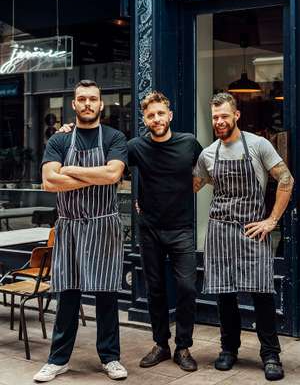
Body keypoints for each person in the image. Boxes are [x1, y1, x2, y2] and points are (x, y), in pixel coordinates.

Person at [193, 92, 294, 381]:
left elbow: (286, 180)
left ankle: (270, 354)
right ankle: (228, 349)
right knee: (225, 295)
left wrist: (271, 221)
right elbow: (190, 187)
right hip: (220, 230)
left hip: (253, 230)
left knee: (262, 293)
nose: (219, 121)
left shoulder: (259, 145)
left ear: (236, 115)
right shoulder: (208, 154)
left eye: (224, 115)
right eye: (215, 117)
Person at [33, 80, 128, 382]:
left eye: (93, 99)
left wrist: (68, 170)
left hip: (104, 224)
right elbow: (49, 182)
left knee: (106, 296)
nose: (87, 104)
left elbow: (113, 174)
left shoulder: (114, 137)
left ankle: (110, 357)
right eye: (81, 99)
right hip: (70, 226)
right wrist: (96, 177)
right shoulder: (59, 140)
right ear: (73, 104)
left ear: (101, 104)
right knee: (68, 296)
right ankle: (57, 360)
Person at [128, 91, 202, 372]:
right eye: (150, 115)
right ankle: (161, 343)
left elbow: (207, 167)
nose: (156, 119)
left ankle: (183, 347)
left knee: (186, 287)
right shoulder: (136, 146)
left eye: (160, 113)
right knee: (155, 290)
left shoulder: (189, 143)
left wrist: (193, 187)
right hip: (149, 229)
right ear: (144, 119)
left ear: (169, 116)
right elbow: (110, 158)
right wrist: (68, 130)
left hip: (181, 228)